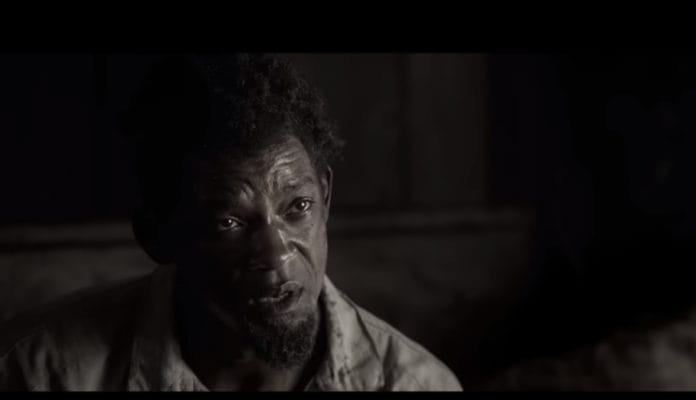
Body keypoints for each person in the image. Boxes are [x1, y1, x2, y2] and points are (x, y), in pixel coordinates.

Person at [0, 54, 462, 391]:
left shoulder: (414, 384)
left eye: (297, 207)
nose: (277, 255)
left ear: (326, 196)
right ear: (157, 236)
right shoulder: (37, 374)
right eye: (229, 222)